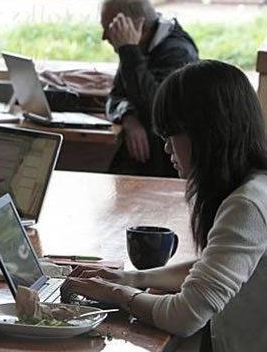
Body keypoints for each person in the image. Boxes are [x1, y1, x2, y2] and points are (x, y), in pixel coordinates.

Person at [61, 60, 267, 352]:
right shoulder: (255, 186)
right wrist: (134, 277)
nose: (167, 147)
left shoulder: (247, 203)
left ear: (207, 132)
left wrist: (118, 293)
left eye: (171, 134)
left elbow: (185, 316)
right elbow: (213, 270)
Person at [102, 0, 199, 177]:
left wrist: (129, 50)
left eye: (111, 28)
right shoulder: (137, 46)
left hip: (168, 163)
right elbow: (114, 96)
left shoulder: (178, 52)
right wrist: (128, 118)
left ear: (137, 24)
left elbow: (158, 108)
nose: (104, 37)